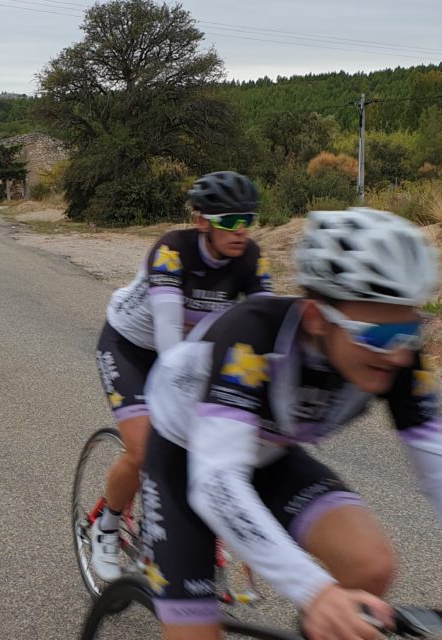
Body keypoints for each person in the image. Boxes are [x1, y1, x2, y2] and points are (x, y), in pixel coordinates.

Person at [139, 207, 442, 640]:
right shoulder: (252, 337)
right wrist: (315, 592)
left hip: (268, 450)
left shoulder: (398, 358)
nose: (396, 353)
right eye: (376, 335)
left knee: (370, 566)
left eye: (410, 331)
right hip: (188, 456)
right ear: (317, 318)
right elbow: (215, 482)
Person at [89, 171, 271, 581]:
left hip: (195, 354)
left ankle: (178, 534)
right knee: (145, 450)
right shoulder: (172, 250)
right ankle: (108, 525)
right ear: (202, 221)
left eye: (248, 220)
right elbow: (169, 338)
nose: (240, 231)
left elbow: (269, 327)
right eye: (230, 221)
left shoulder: (250, 257)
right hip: (131, 347)